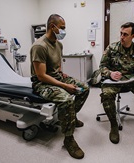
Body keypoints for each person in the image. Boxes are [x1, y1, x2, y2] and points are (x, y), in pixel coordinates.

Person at [30, 14, 89, 159]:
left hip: (56, 77)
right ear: (52, 26)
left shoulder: (58, 43)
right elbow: (41, 76)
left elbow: (57, 64)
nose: (64, 31)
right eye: (62, 28)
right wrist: (64, 85)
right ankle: (68, 139)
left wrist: (61, 73)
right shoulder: (39, 46)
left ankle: (71, 117)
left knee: (84, 88)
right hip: (42, 83)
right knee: (67, 99)